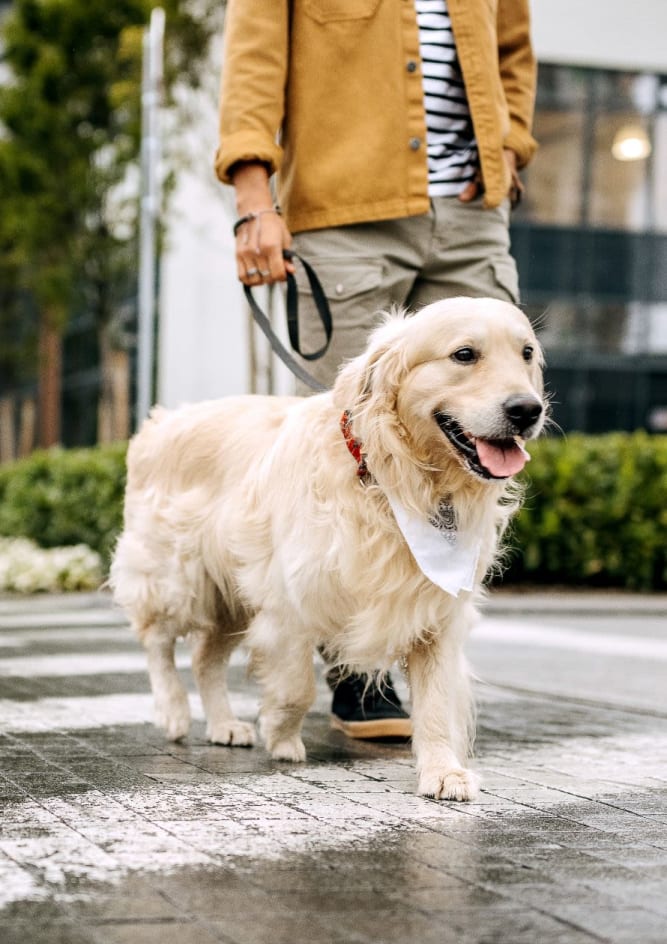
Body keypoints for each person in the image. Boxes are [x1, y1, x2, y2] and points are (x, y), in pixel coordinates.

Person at [215, 0, 538, 741]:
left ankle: (429, 655)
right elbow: (254, 62)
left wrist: (509, 147)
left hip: (472, 214)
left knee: (482, 432)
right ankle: (356, 670)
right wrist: (253, 199)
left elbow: (513, 44)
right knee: (350, 445)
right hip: (345, 206)